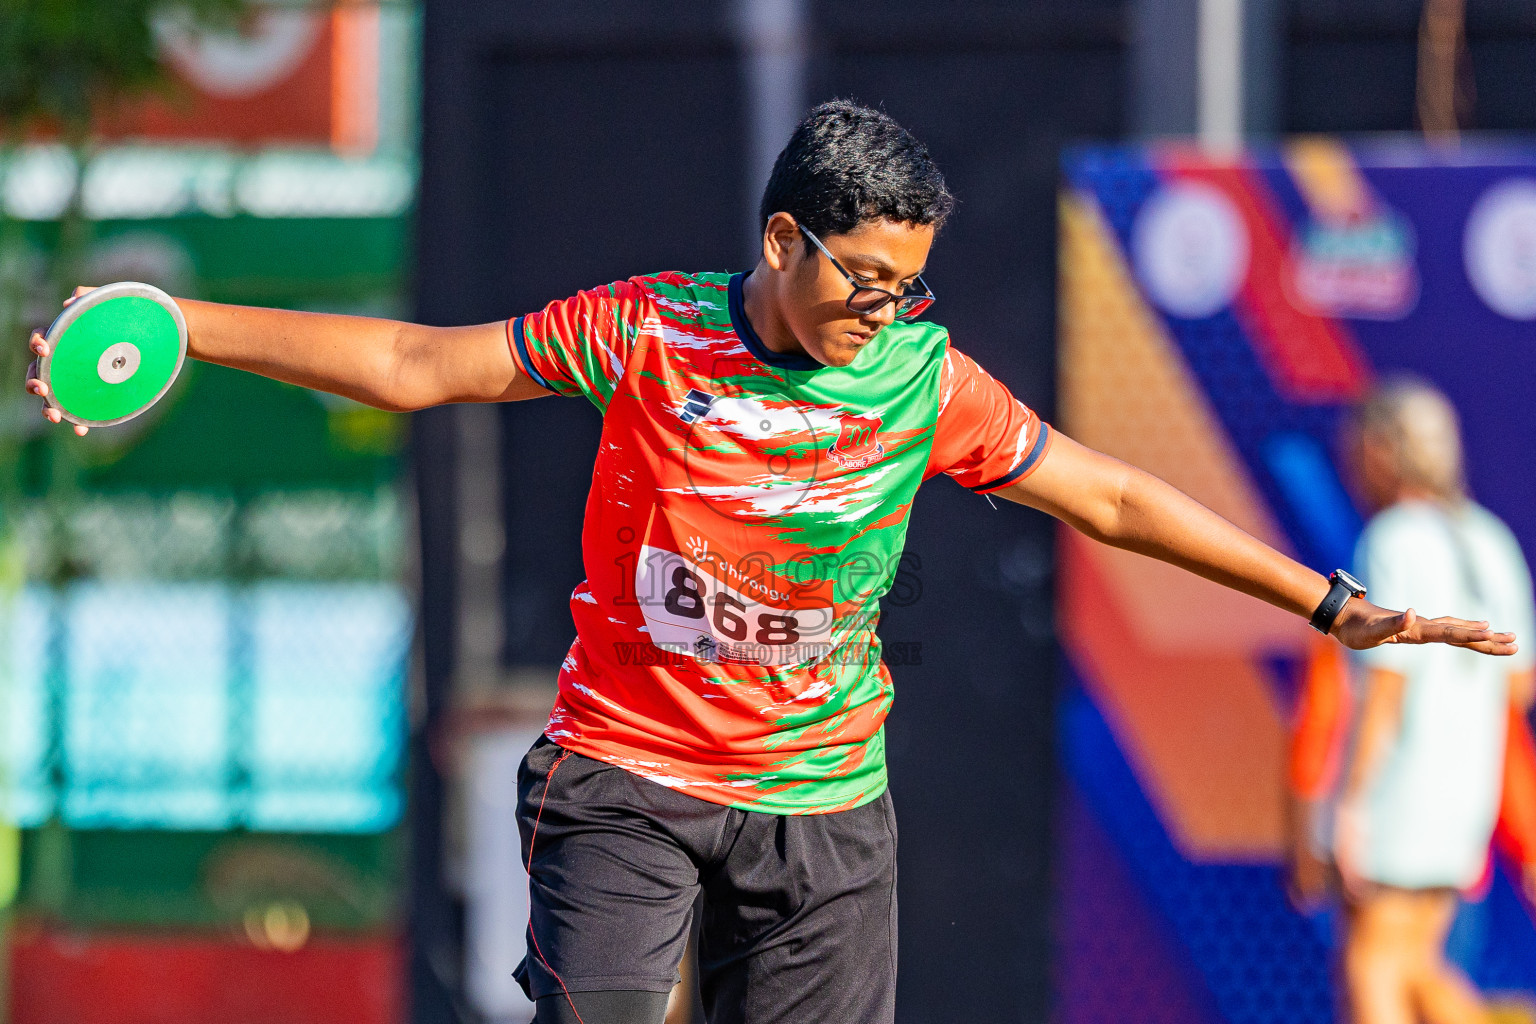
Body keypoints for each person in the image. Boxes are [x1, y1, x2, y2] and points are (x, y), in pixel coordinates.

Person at [23, 102, 1517, 1024]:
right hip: (628, 778)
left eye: (914, 280)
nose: (892, 304)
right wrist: (186, 327)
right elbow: (423, 363)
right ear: (787, 239)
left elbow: (1113, 498)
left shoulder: (926, 379)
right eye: (866, 277)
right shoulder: (649, 331)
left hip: (822, 815)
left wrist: (1328, 603)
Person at [1309, 378, 1536, 1024]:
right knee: (1414, 964)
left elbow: (1386, 684)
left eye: (1358, 446)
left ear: (1384, 449)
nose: (1351, 462)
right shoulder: (1492, 540)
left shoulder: (1394, 537)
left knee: (1370, 962)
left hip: (1397, 797)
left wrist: (1350, 806)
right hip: (1465, 797)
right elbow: (1518, 686)